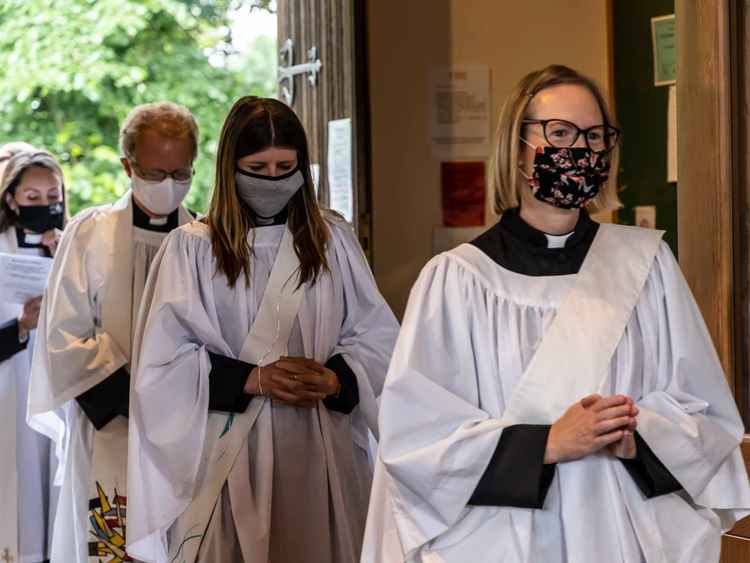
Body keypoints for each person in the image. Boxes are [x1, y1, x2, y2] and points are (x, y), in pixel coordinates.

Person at [362, 65, 750, 563]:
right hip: (509, 538)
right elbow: (418, 440)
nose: (580, 151)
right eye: (560, 133)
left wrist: (639, 440)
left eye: (594, 136)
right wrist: (547, 443)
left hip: (622, 530)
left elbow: (704, 410)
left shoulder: (647, 267)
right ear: (518, 147)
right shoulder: (458, 280)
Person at [127, 96, 398, 563]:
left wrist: (339, 378)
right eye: (258, 166)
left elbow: (378, 341)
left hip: (322, 451)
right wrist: (253, 379)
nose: (273, 179)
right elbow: (160, 367)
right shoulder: (192, 250)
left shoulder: (333, 241)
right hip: (231, 454)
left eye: (285, 166)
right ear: (230, 167)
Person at [27, 102, 199, 562]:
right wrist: (136, 397)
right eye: (156, 172)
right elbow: (62, 336)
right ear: (128, 165)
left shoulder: (201, 239)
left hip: (180, 433)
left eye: (181, 174)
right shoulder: (90, 234)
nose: (169, 186)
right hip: (112, 427)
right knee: (110, 545)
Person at [0, 148, 65, 563]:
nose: (44, 206)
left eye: (52, 196)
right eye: (33, 198)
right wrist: (22, 325)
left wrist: (65, 259)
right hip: (9, 392)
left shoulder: (73, 246)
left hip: (59, 393)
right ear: (10, 199)